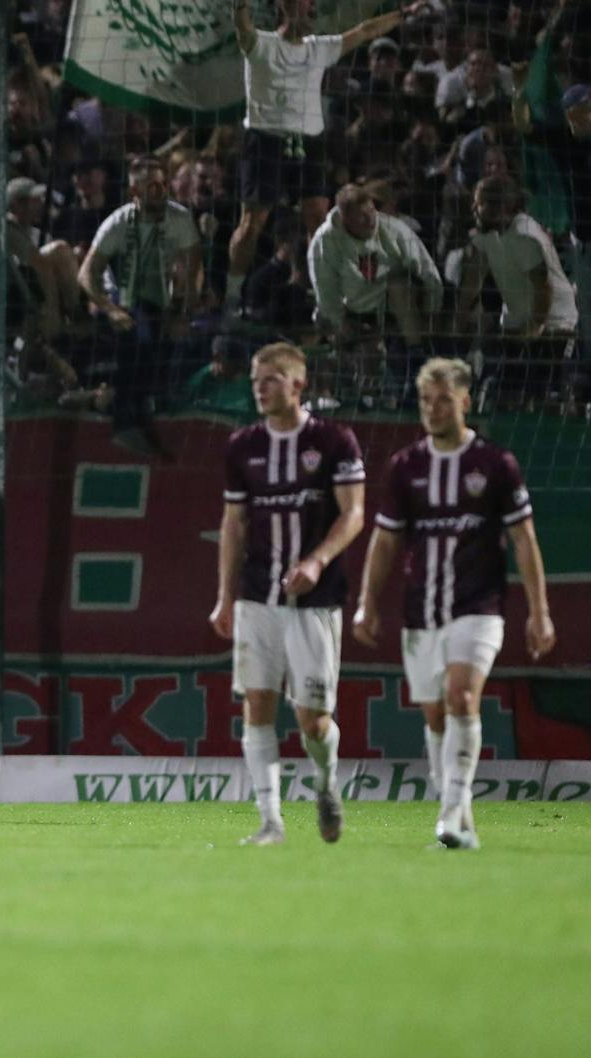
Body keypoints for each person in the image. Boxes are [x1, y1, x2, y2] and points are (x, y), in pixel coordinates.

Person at [353, 358, 555, 849]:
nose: (433, 409)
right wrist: (367, 602)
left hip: (479, 606)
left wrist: (540, 611)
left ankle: (446, 816)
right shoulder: (406, 467)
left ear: (466, 401)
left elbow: (524, 539)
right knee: (435, 716)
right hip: (421, 610)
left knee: (462, 697)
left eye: (444, 399)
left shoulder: (495, 465)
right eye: (425, 400)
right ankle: (461, 818)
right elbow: (385, 542)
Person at [208, 343, 366, 846]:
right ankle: (270, 822)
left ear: (299, 385)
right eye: (257, 378)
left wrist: (317, 561)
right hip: (258, 596)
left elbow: (354, 513)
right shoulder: (242, 447)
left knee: (313, 721)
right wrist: (224, 596)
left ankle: (325, 784)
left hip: (315, 604)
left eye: (272, 379)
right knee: (257, 704)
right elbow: (233, 523)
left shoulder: (334, 440)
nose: (260, 387)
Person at [227, 0, 431, 310]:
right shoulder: (261, 43)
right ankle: (231, 295)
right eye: (304, 4)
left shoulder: (319, 47)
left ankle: (322, 298)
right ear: (285, 7)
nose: (311, 10)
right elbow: (242, 26)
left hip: (309, 144)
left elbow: (367, 30)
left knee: (318, 222)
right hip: (265, 142)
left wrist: (403, 13)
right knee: (252, 224)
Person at [78, 156, 204, 453]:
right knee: (139, 335)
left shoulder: (180, 219)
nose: (160, 191)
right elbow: (86, 273)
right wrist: (109, 308)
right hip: (123, 302)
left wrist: (183, 311)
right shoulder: (118, 223)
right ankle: (126, 421)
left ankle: (123, 404)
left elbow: (194, 269)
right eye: (152, 186)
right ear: (134, 192)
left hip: (166, 302)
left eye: (163, 184)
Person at [457, 175, 579, 403]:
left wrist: (533, 328)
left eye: (479, 203)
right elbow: (474, 277)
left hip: (553, 324)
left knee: (543, 396)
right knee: (505, 394)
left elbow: (544, 288)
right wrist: (460, 317)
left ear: (502, 207)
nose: (474, 208)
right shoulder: (486, 232)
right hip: (517, 322)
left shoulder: (524, 234)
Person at [306, 183, 444, 363]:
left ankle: (416, 354)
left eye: (371, 212)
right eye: (361, 217)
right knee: (333, 329)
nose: (370, 220)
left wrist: (432, 310)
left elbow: (428, 272)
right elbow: (325, 288)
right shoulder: (325, 241)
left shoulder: (395, 229)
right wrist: (341, 321)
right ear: (345, 219)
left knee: (400, 284)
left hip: (390, 304)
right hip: (351, 308)